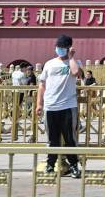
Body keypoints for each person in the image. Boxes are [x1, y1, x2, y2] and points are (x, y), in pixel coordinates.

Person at [36, 35, 83, 178]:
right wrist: (39, 104)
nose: (59, 50)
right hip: (50, 106)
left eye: (62, 48)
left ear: (69, 48)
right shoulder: (49, 64)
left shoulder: (74, 62)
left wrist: (71, 57)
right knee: (52, 139)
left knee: (70, 138)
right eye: (58, 47)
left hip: (67, 106)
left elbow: (76, 73)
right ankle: (51, 165)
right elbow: (42, 85)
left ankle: (74, 166)